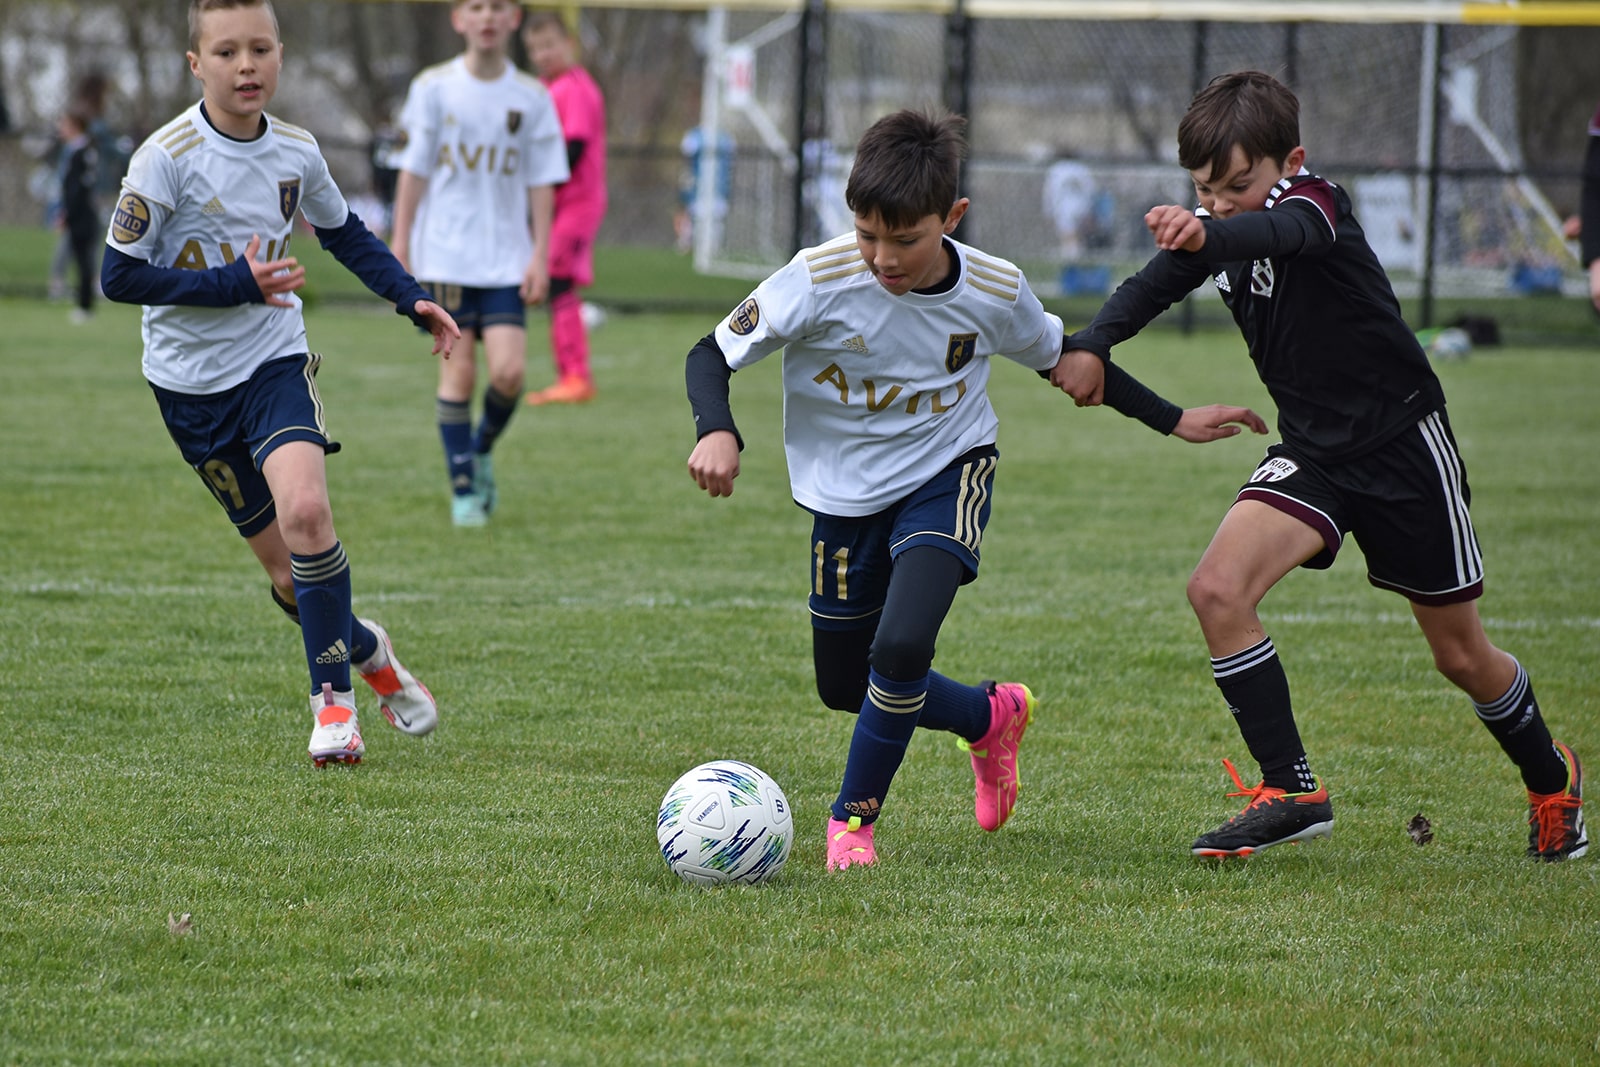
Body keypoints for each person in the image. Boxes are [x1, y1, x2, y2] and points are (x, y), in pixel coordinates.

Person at [686, 109, 1264, 871]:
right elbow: (711, 353)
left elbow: (1069, 364)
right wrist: (716, 428)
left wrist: (1173, 417)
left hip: (948, 472)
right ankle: (990, 715)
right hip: (843, 497)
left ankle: (851, 824)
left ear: (952, 217)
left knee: (899, 647)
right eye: (867, 235)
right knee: (845, 686)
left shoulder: (994, 289)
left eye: (905, 238)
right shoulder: (818, 276)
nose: (883, 258)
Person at [1052, 70, 1586, 862]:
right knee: (1216, 590)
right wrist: (1095, 340)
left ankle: (1552, 778)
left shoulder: (1316, 205)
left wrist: (1211, 232)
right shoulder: (1216, 227)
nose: (1222, 201)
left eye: (1240, 183)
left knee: (1459, 654)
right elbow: (1152, 285)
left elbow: (1277, 233)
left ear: (1289, 161)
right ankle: (1292, 788)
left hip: (1403, 449)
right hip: (1312, 454)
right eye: (1206, 188)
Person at [101, 0, 460, 767]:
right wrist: (235, 282)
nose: (246, 65)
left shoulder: (296, 150)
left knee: (306, 511)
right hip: (188, 391)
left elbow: (344, 232)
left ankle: (333, 710)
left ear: (281, 55)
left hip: (273, 364)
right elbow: (117, 275)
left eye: (259, 49)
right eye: (226, 52)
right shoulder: (164, 157)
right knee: (289, 579)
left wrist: (410, 294)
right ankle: (367, 649)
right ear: (196, 64)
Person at [389, 0, 569, 527]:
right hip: (444, 256)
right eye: (475, 7)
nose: (486, 16)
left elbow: (542, 180)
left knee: (511, 374)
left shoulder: (532, 97)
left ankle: (480, 448)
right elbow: (413, 170)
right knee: (459, 375)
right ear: (458, 19)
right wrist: (400, 244)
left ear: (513, 18)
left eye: (497, 7)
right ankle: (464, 489)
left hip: (507, 261)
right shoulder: (433, 87)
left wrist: (539, 254)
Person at [521, 10, 608, 406]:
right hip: (556, 205)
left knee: (559, 281)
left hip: (576, 203)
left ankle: (576, 376)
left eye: (549, 45)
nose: (543, 54)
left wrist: (538, 188)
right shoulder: (543, 88)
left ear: (569, 45)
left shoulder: (575, 88)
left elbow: (571, 149)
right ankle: (569, 372)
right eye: (535, 48)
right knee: (553, 282)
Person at [57, 108, 100, 324]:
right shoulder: (85, 150)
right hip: (83, 214)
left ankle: (85, 305)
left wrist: (66, 213)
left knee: (84, 261)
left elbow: (76, 189)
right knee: (82, 260)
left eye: (64, 125)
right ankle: (84, 302)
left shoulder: (79, 152)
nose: (60, 129)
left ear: (75, 126)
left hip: (82, 216)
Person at [674, 124, 733, 255]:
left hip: (718, 188)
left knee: (715, 217)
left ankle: (714, 245)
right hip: (698, 187)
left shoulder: (725, 137)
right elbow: (686, 160)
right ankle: (686, 241)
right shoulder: (694, 136)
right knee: (692, 213)